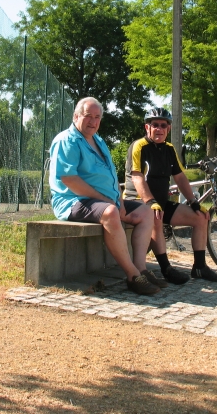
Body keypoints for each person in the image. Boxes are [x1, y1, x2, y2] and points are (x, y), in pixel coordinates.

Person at [49, 97, 165, 295]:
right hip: (72, 201)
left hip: (104, 201)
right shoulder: (66, 140)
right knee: (110, 212)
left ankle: (141, 269)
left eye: (97, 117)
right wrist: (108, 202)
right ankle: (132, 276)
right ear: (76, 116)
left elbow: (111, 175)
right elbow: (69, 180)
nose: (93, 121)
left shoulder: (99, 141)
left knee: (146, 212)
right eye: (88, 116)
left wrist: (119, 200)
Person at [124, 107, 217, 284]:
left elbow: (180, 177)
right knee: (155, 215)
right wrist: (150, 201)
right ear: (147, 127)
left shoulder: (169, 149)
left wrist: (194, 203)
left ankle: (199, 267)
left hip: (161, 202)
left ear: (168, 129)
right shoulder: (138, 146)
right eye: (155, 125)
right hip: (137, 201)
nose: (159, 129)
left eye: (164, 125)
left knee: (200, 217)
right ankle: (166, 268)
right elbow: (137, 177)